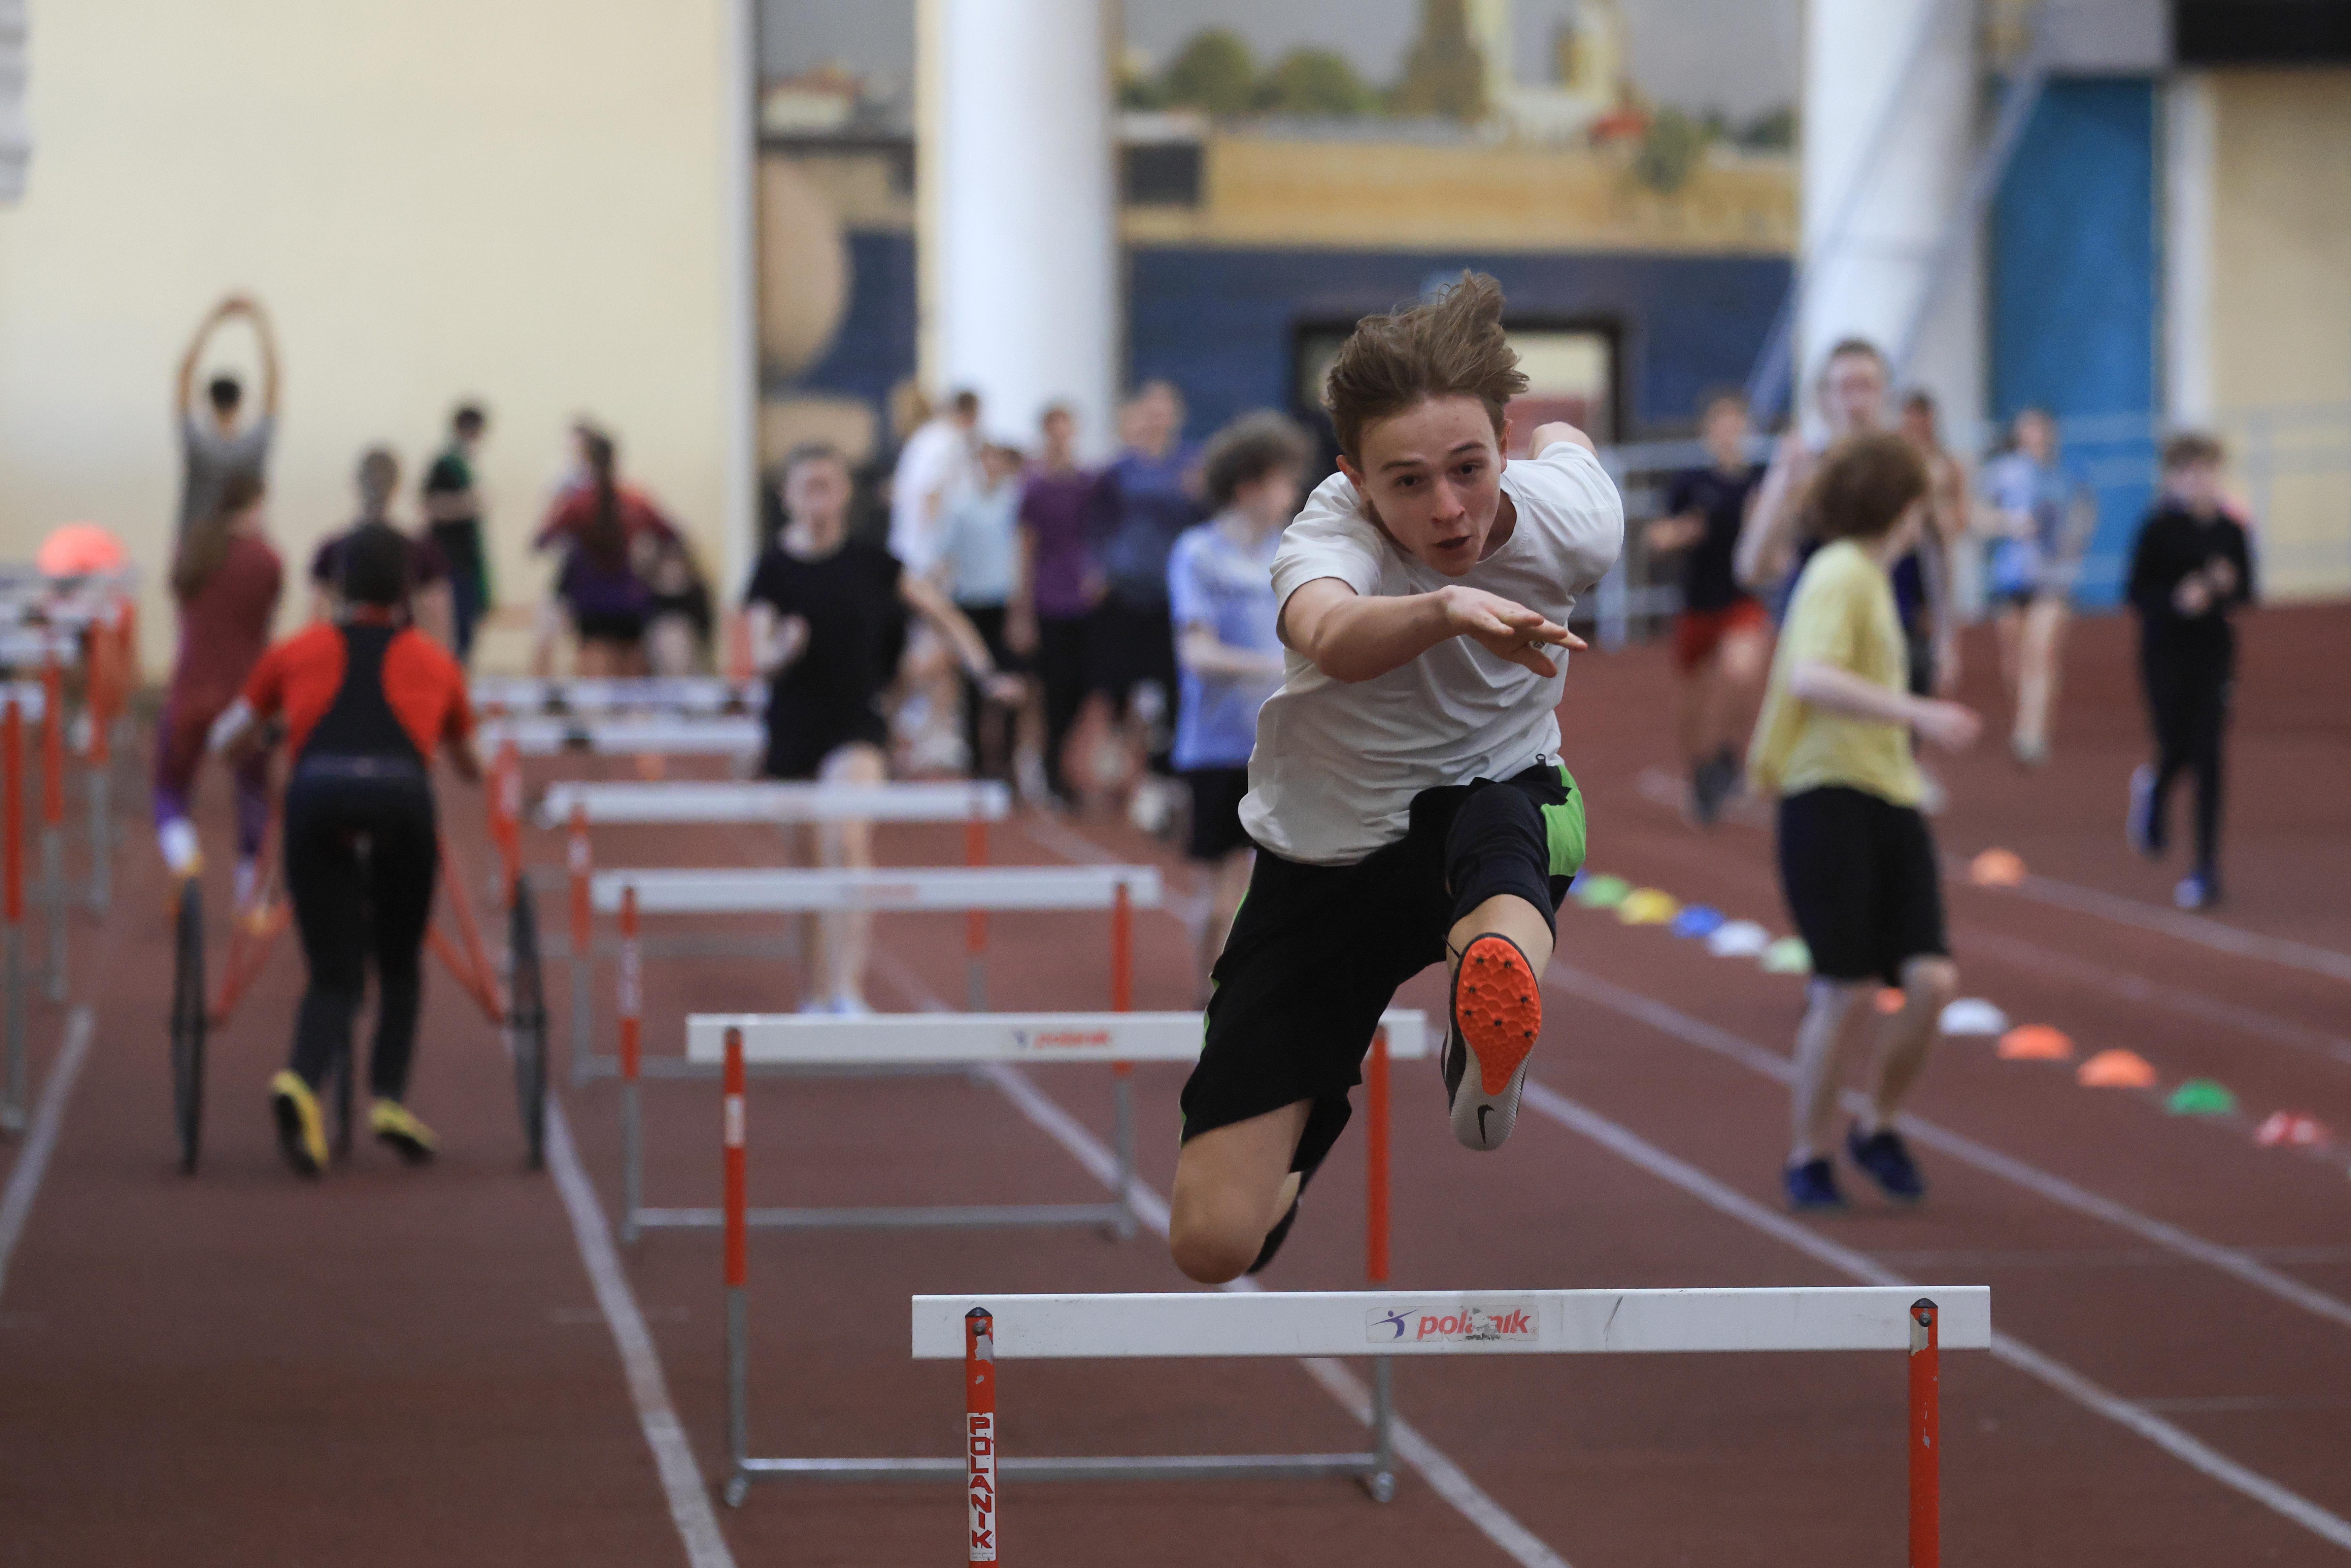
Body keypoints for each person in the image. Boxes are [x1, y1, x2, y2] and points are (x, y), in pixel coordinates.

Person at [1166, 275, 1621, 1285]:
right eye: (1407, 482)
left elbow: (1573, 460)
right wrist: (1447, 608)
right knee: (1210, 1242)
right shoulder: (1327, 532)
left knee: (1497, 826)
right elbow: (1329, 633)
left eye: (1468, 466)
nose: (1447, 506)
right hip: (1320, 856)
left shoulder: (1571, 523)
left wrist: (1558, 447)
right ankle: (1285, 1168)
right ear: (1354, 478)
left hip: (1492, 798)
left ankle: (1487, 1006)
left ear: (1504, 441)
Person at [1746, 432, 1981, 1213]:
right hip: (1827, 797)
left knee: (1931, 977)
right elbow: (1811, 675)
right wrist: (1921, 712)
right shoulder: (1841, 571)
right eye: (1920, 501)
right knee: (1841, 987)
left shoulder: (1874, 579)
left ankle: (1875, 1126)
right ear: (1897, 504)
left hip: (1889, 794)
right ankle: (1806, 1154)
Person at [209, 523, 481, 1177]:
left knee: (333, 970)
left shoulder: (295, 651)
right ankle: (387, 1097)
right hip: (401, 801)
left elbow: (225, 743)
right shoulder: (434, 663)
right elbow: (471, 767)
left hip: (317, 798)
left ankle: (302, 1080)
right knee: (400, 960)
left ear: (335, 589)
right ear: (408, 593)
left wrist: (274, 726)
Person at [744, 444, 1021, 1014]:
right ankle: (813, 992)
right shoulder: (773, 567)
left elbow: (943, 615)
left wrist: (986, 672)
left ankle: (846, 988)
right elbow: (758, 653)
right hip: (793, 726)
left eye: (828, 483)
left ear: (845, 493)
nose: (818, 496)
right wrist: (783, 648)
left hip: (857, 722)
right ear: (788, 497)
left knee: (845, 839)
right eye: (807, 485)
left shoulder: (877, 563)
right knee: (807, 873)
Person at [1166, 411, 1310, 998]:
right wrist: (1278, 667)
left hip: (1284, 745)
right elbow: (1196, 651)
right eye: (1283, 481)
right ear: (1249, 485)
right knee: (1219, 894)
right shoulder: (1198, 553)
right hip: (1217, 746)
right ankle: (1212, 995)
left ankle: (1268, 995)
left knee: (1290, 882)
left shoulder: (1293, 552)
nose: (1293, 493)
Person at [2126, 433, 2254, 911]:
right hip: (2163, 652)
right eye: (2188, 472)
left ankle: (2206, 867)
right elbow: (2135, 592)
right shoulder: (2157, 528)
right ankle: (2154, 791)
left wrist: (2226, 586)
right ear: (2173, 478)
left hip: (2213, 654)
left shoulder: (2230, 531)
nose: (2198, 481)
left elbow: (2247, 593)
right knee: (2175, 744)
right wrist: (2175, 600)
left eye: (2206, 471)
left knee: (2209, 754)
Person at [154, 474, 282, 904]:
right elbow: (263, 623)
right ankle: (251, 894)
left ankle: (183, 856)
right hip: (246, 695)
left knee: (170, 786)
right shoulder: (267, 560)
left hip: (191, 687)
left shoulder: (193, 552)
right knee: (252, 788)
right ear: (255, 504)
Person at [1648, 393, 1768, 824]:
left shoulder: (1760, 480)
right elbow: (1656, 538)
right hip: (1697, 602)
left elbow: (1782, 537)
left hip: (1742, 599)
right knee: (1692, 702)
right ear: (1708, 433)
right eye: (1721, 426)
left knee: (1742, 673)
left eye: (1736, 425)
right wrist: (1682, 532)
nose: (1729, 434)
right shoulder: (1690, 482)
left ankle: (1726, 758)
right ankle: (1699, 772)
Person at [1088, 380, 1202, 829]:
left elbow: (1205, 523)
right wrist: (1095, 566)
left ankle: (1161, 780)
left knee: (1171, 689)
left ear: (1176, 416)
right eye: (1149, 410)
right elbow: (1096, 522)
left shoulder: (1192, 467)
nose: (1157, 418)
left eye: (1164, 410)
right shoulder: (1119, 470)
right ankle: (1116, 753)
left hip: (1170, 594)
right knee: (1117, 682)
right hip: (1123, 591)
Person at [1979, 408, 2094, 766]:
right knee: (2014, 657)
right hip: (2011, 576)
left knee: (2039, 652)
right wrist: (2008, 523)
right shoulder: (2001, 473)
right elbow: (1977, 517)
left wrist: (2070, 545)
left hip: (2052, 578)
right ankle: (2024, 715)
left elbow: (2084, 515)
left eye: (2040, 428)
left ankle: (2031, 734)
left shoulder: (2067, 475)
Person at [534, 432, 677, 676]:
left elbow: (542, 541)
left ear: (586, 461)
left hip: (591, 601)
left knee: (596, 686)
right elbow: (671, 536)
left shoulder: (577, 503)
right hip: (631, 600)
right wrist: (651, 566)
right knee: (630, 692)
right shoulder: (635, 500)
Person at [1018, 403, 1103, 807]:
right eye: (1053, 431)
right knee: (1052, 690)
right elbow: (1024, 548)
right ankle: (1050, 769)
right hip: (1047, 598)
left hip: (1082, 599)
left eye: (1065, 430)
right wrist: (1020, 612)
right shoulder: (1033, 487)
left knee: (1084, 686)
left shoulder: (1088, 482)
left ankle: (1061, 763)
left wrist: (1097, 572)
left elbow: (1098, 534)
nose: (1060, 438)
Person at [936, 441, 1032, 784]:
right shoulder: (959, 506)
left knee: (1010, 686)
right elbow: (944, 555)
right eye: (986, 458)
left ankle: (1006, 763)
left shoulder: (1015, 503)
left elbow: (1024, 551)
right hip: (970, 603)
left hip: (1004, 604)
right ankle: (976, 762)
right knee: (974, 688)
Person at [310, 448, 458, 651]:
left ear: (356, 483)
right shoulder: (421, 550)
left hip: (356, 660)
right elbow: (437, 622)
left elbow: (317, 619)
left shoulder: (333, 549)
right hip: (397, 659)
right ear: (397, 486)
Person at [174, 295, 280, 540]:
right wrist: (260, 323)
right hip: (246, 552)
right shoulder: (253, 446)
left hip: (197, 552)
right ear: (241, 402)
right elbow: (274, 383)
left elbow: (183, 378)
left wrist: (212, 321)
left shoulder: (198, 446)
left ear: (207, 401)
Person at [421, 404, 493, 664]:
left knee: (466, 636)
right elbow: (429, 506)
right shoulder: (445, 465)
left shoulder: (467, 465)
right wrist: (467, 506)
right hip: (450, 562)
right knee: (451, 638)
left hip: (466, 562)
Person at [888, 387, 981, 578]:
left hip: (914, 549)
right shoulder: (946, 441)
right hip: (927, 556)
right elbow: (931, 496)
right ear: (972, 415)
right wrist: (938, 553)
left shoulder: (927, 437)